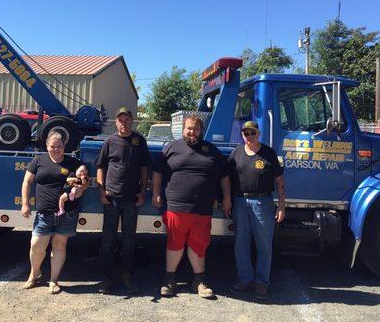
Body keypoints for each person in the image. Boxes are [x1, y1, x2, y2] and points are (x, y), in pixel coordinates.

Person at [152, 115, 231, 298]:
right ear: (183, 129)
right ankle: (169, 280)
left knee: (199, 245)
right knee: (174, 244)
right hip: (176, 207)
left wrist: (226, 197)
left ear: (201, 131)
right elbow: (157, 171)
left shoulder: (211, 150)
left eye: (195, 129)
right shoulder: (171, 147)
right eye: (189, 128)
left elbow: (224, 175)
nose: (192, 132)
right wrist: (156, 193)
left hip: (202, 209)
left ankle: (200, 282)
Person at [21, 130, 89, 294]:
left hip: (67, 213)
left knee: (59, 247)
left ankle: (53, 280)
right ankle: (34, 273)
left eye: (59, 146)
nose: (56, 149)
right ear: (47, 146)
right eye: (52, 146)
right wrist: (25, 203)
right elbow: (27, 181)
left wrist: (82, 187)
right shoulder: (38, 160)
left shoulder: (73, 162)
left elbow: (85, 181)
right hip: (44, 213)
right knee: (37, 245)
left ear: (64, 146)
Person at [228, 120, 285, 300]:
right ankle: (245, 279)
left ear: (258, 133)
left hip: (262, 203)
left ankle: (262, 282)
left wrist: (282, 205)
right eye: (246, 133)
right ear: (242, 135)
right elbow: (226, 179)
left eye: (252, 133)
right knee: (241, 244)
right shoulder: (236, 153)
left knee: (264, 245)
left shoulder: (268, 153)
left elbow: (280, 182)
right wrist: (226, 199)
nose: (249, 136)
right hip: (239, 202)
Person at [96, 107, 151, 294]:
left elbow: (145, 169)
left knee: (129, 240)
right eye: (120, 120)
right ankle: (106, 278)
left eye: (127, 120)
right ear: (116, 122)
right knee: (107, 241)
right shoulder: (110, 141)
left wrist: (143, 192)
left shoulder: (139, 141)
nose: (123, 123)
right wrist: (101, 192)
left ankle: (127, 276)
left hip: (130, 200)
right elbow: (101, 167)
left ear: (132, 121)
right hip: (111, 199)